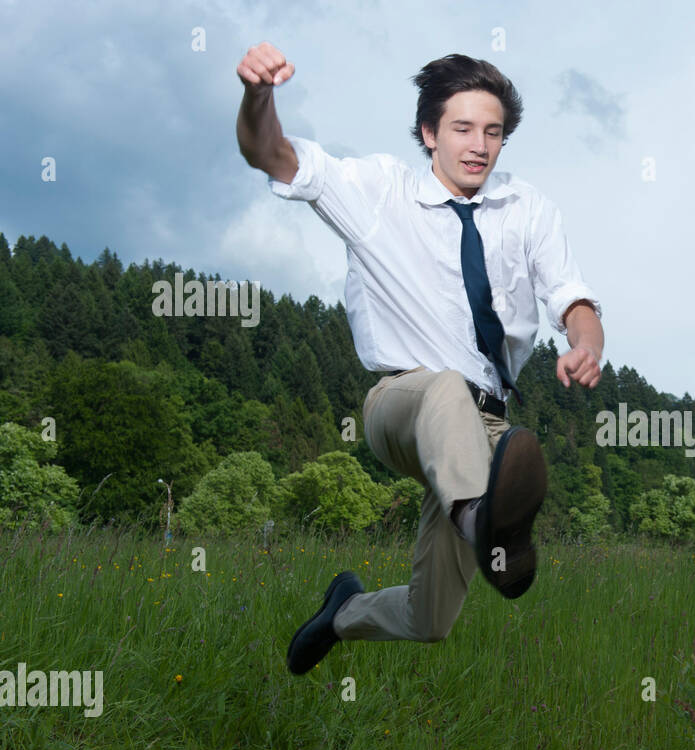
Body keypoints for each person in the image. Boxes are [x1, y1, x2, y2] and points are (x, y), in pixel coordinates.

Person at [234, 43, 605, 674]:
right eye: (462, 129)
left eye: (493, 133)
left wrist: (585, 342)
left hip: (485, 433)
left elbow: (572, 298)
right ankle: (479, 519)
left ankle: (343, 612)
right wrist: (259, 94)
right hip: (403, 403)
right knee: (443, 389)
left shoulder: (529, 210)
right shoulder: (379, 192)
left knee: (430, 619)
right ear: (429, 133)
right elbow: (270, 153)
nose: (479, 146)